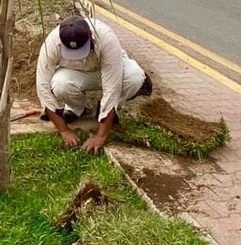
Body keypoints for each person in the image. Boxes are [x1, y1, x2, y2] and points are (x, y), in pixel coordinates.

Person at [36, 15, 153, 153]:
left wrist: (101, 136)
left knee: (135, 78)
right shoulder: (51, 44)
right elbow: (43, 88)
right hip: (75, 72)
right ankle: (77, 108)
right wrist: (64, 130)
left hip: (108, 68)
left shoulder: (106, 37)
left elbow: (112, 88)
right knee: (59, 84)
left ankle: (108, 111)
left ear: (91, 37)